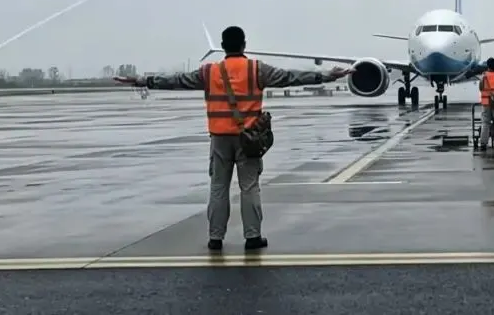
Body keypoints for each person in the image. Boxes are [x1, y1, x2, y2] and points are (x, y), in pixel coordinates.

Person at [114, 25, 350, 252]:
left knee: (218, 187)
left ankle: (215, 238)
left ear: (223, 46)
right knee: (249, 187)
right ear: (244, 45)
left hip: (219, 139)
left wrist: (142, 81)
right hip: (249, 139)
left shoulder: (209, 72)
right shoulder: (256, 69)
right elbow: (291, 77)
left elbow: (177, 81)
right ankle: (252, 236)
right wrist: (328, 76)